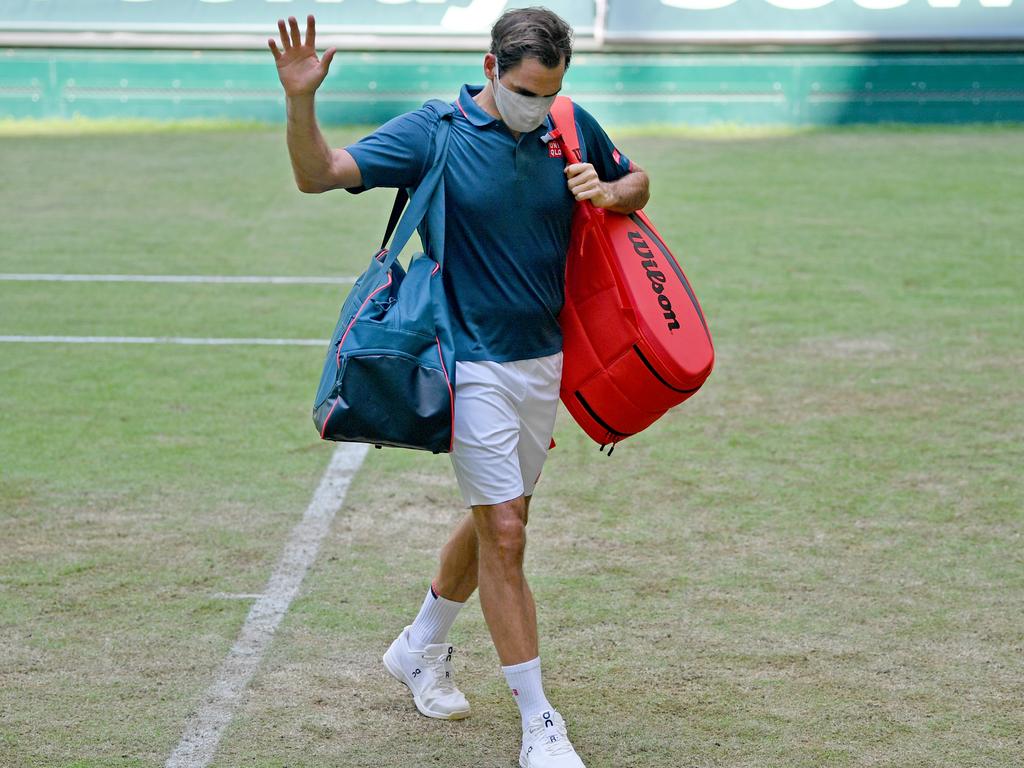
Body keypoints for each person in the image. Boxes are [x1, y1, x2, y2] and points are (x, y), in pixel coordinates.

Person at [270, 8, 649, 767]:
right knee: (505, 534)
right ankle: (541, 723)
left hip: (544, 358)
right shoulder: (434, 131)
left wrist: (609, 194)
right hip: (466, 357)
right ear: (488, 66)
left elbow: (636, 181)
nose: (536, 106)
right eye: (524, 91)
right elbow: (319, 175)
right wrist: (301, 100)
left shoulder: (569, 127)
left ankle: (420, 645)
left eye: (550, 92)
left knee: (504, 518)